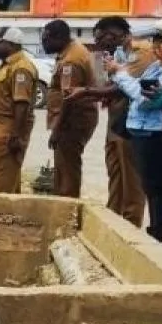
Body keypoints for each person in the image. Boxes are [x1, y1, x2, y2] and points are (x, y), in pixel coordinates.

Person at [68, 16, 153, 227]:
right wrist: (99, 65)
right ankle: (113, 220)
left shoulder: (141, 52)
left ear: (117, 35)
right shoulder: (116, 54)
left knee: (131, 180)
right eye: (97, 39)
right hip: (116, 121)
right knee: (115, 173)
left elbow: (119, 88)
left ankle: (130, 225)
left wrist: (86, 91)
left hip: (133, 125)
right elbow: (106, 86)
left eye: (101, 39)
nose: (99, 43)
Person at [106, 20, 162, 244]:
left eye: (161, 41)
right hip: (143, 133)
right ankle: (157, 235)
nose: (156, 46)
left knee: (159, 189)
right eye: (155, 41)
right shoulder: (157, 67)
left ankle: (159, 237)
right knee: (153, 189)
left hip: (157, 135)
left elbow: (143, 99)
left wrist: (120, 74)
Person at [40, 20, 99, 199]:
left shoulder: (71, 61)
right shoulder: (71, 51)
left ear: (59, 37)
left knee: (67, 169)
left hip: (71, 121)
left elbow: (69, 98)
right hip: (72, 119)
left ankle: (68, 207)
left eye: (46, 39)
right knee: (64, 167)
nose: (43, 43)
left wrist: (56, 129)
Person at [0, 26, 37, 194]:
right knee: (7, 182)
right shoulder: (7, 65)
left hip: (7, 135)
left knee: (2, 187)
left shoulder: (21, 68)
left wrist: (16, 135)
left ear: (11, 44)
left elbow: (22, 103)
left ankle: (3, 211)